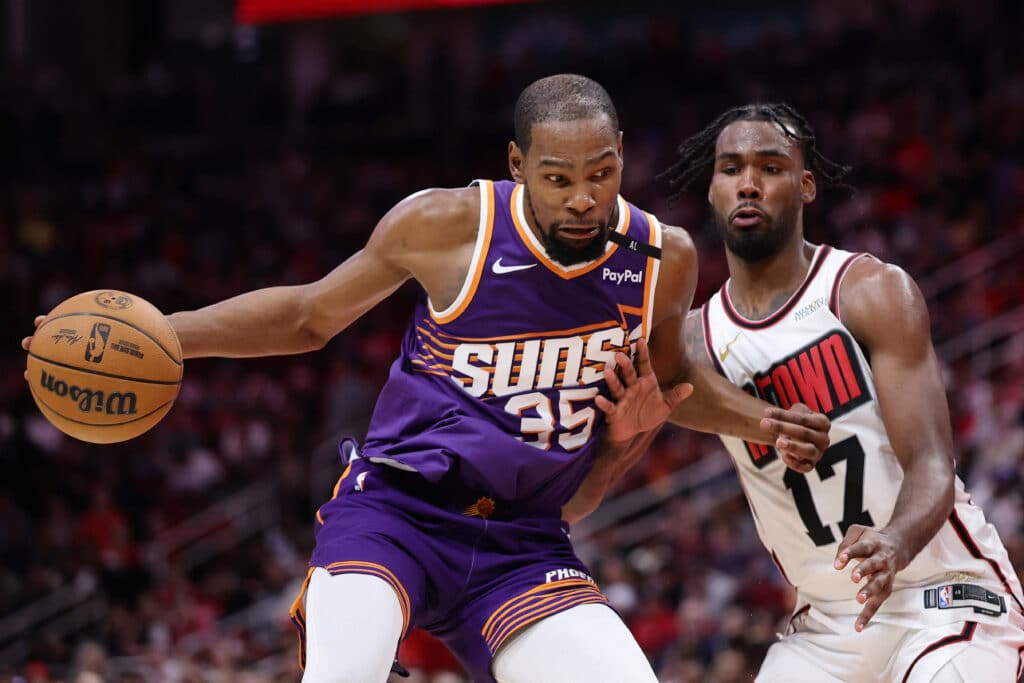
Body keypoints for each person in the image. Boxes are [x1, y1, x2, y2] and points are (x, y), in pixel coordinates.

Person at [23, 76, 831, 683]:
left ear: (622, 154)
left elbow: (676, 373)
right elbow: (309, 315)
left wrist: (765, 422)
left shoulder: (663, 257)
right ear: (517, 164)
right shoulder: (447, 226)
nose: (584, 197)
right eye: (558, 178)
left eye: (602, 171)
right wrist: (162, 334)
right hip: (394, 512)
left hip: (523, 538)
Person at [589, 102, 1024, 682]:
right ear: (713, 190)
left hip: (944, 598)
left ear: (806, 186)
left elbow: (932, 468)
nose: (749, 184)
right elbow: (649, 418)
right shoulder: (693, 341)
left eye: (770, 168)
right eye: (731, 169)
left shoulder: (869, 292)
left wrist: (894, 543)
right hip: (825, 627)